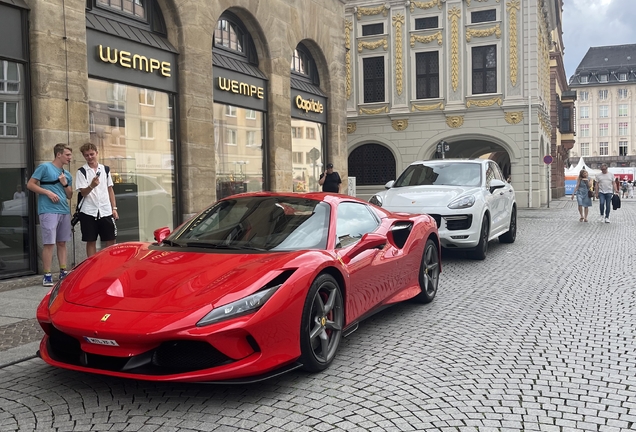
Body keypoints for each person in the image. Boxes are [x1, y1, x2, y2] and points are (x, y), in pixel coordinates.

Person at [27, 143, 73, 286]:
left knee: (62, 242)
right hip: (48, 210)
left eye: (70, 155)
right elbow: (30, 184)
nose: (70, 158)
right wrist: (47, 192)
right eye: (67, 155)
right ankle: (47, 274)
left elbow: (70, 195)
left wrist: (65, 184)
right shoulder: (45, 167)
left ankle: (63, 272)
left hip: (64, 210)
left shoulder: (68, 174)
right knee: (49, 243)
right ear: (58, 154)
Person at [75, 142, 118, 257]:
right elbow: (83, 192)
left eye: (91, 154)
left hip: (105, 209)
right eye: (86, 155)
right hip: (89, 210)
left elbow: (110, 190)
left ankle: (110, 263)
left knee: (110, 239)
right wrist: (91, 186)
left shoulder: (105, 169)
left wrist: (114, 208)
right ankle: (92, 266)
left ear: (96, 153)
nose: (89, 157)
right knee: (91, 240)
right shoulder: (81, 172)